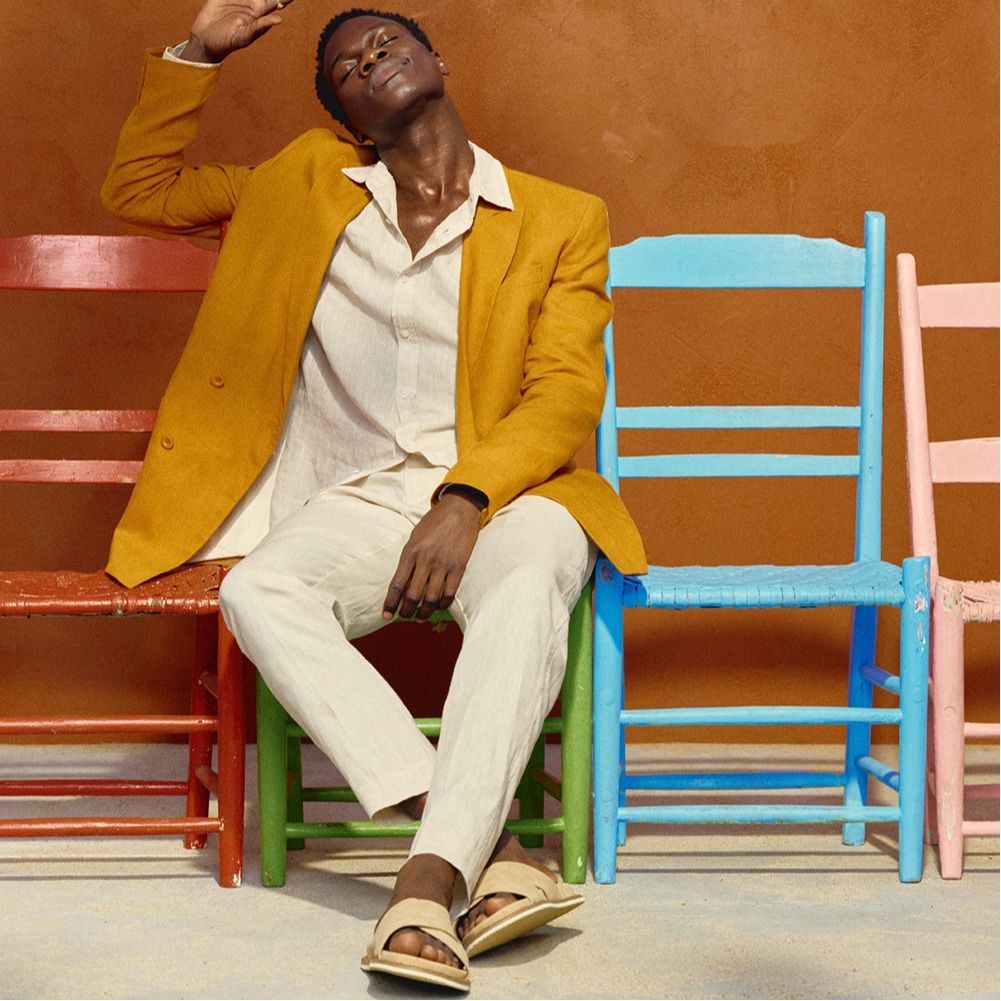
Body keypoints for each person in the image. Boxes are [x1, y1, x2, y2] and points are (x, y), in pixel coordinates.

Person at [102, 1, 646, 991]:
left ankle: (425, 883)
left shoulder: (563, 216)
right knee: (257, 590)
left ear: (435, 56)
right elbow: (138, 189)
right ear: (343, 115)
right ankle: (487, 853)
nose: (370, 56)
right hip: (360, 495)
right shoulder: (299, 184)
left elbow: (565, 392)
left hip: (510, 489)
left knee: (526, 585)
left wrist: (465, 497)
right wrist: (198, 52)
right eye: (347, 64)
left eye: (386, 40)